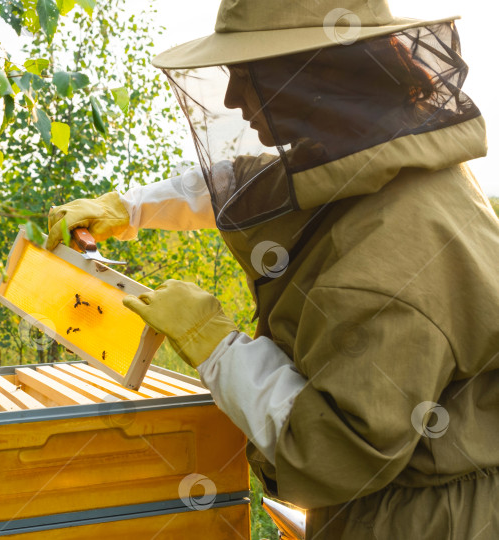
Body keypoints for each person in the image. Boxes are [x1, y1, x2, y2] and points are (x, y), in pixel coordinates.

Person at [46, 0, 499, 538]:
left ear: (314, 77)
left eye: (246, 74)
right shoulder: (380, 155)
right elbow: (255, 184)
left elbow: (331, 448)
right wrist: (131, 207)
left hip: (418, 521)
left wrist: (215, 344)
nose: (234, 98)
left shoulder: (388, 265)